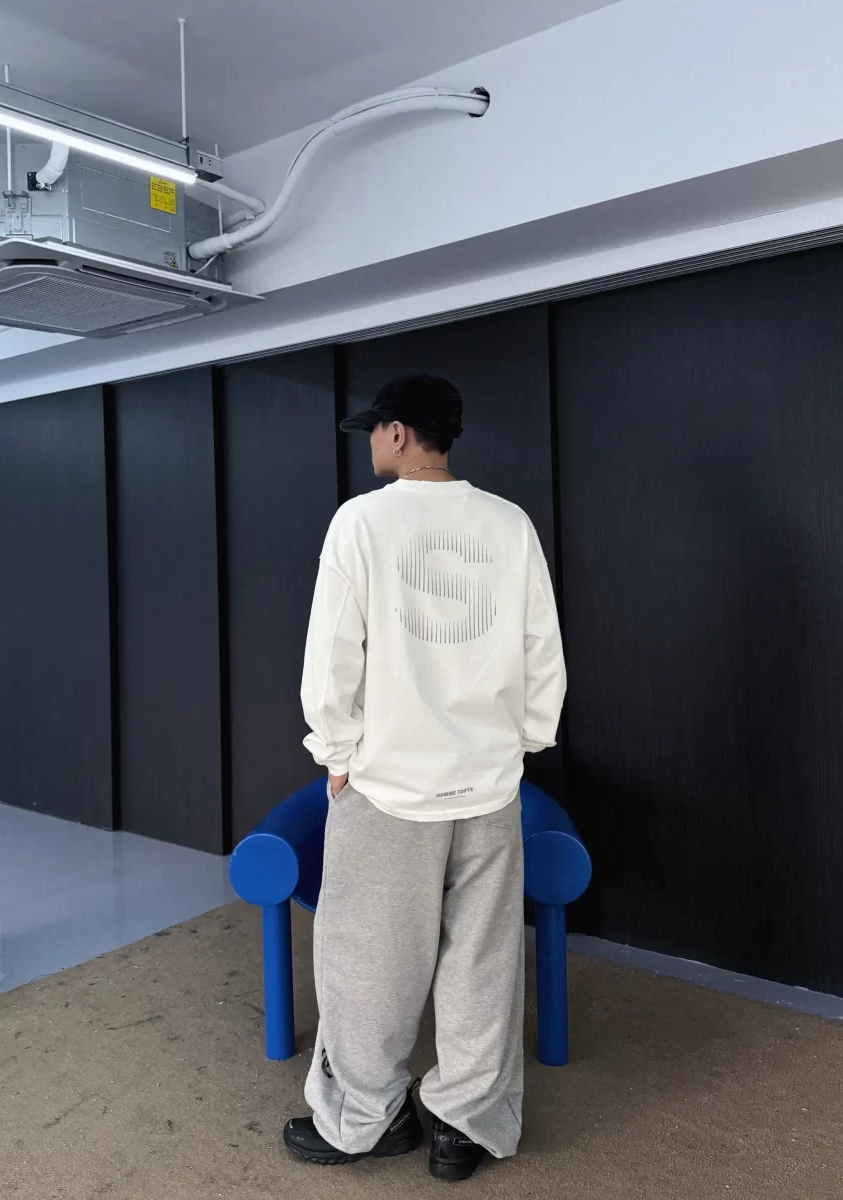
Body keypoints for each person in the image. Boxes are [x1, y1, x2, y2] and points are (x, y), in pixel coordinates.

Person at [284, 374, 567, 1182]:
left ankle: (366, 1118)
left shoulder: (361, 522)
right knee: (483, 960)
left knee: (367, 962)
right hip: (489, 785)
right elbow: (541, 649)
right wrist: (524, 742)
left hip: (388, 787)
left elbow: (331, 656)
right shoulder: (509, 524)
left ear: (400, 433)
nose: (372, 442)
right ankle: (465, 1123)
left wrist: (336, 753)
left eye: (375, 430)